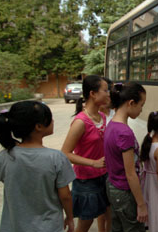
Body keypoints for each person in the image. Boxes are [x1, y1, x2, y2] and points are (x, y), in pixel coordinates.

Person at [0, 101, 75, 232]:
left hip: (13, 227)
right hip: (49, 227)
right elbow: (65, 196)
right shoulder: (56, 158)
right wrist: (70, 217)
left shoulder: (4, 156)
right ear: (38, 126)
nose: (53, 121)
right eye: (49, 119)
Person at [61, 75, 111, 232]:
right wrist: (93, 163)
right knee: (84, 225)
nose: (108, 94)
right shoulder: (81, 122)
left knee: (109, 216)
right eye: (105, 90)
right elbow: (65, 154)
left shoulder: (102, 116)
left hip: (105, 176)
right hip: (86, 182)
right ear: (93, 94)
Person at [104, 82, 148, 232]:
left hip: (113, 187)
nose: (142, 110)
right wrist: (141, 205)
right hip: (124, 192)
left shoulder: (112, 125)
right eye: (141, 105)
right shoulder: (124, 133)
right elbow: (130, 174)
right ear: (131, 103)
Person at [97, 77, 114, 232]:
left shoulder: (115, 114)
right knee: (101, 206)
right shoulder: (94, 117)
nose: (109, 96)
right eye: (106, 91)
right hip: (100, 165)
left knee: (109, 206)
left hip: (111, 164)